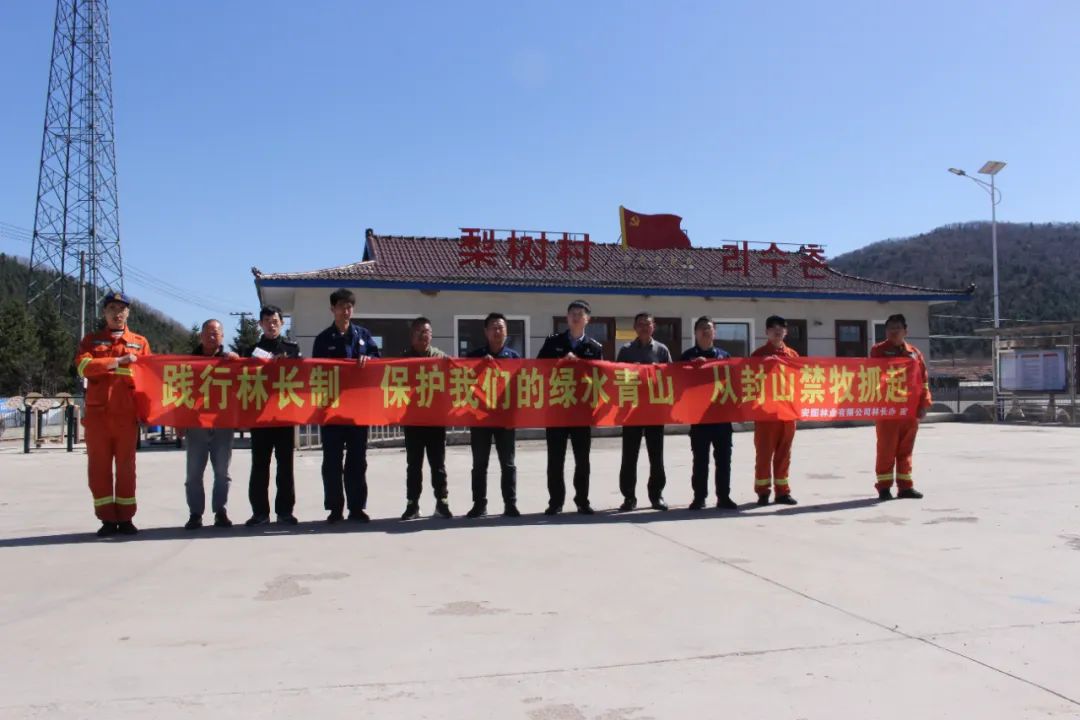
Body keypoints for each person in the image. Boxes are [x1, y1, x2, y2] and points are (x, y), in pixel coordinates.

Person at [75, 291, 151, 537]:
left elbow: (149, 379)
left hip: (126, 416)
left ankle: (126, 518)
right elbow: (83, 367)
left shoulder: (140, 342)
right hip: (98, 417)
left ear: (128, 313)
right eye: (112, 309)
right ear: (104, 313)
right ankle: (107, 519)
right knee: (99, 468)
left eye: (121, 309)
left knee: (127, 468)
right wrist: (117, 361)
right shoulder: (91, 341)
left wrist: (147, 413)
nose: (117, 314)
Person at [311, 288, 380, 523]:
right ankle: (335, 508)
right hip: (331, 410)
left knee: (357, 460)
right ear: (332, 309)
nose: (346, 311)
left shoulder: (363, 335)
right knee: (332, 461)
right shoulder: (323, 339)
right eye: (341, 306)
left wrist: (369, 359)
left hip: (358, 411)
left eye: (349, 306)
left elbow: (378, 361)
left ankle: (357, 507)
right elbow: (316, 371)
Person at [537, 299, 604, 515]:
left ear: (587, 319)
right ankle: (555, 501)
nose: (576, 317)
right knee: (555, 460)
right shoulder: (552, 342)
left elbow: (600, 378)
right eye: (572, 313)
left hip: (581, 413)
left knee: (582, 460)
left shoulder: (594, 347)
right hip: (556, 409)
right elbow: (538, 369)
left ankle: (582, 500)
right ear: (567, 318)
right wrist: (561, 362)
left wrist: (580, 365)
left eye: (580, 314)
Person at [244, 305, 302, 526]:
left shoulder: (292, 349)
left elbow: (302, 376)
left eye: (275, 321)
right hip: (259, 417)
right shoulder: (251, 351)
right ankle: (260, 513)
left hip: (284, 416)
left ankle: (285, 511)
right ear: (261, 324)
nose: (271, 325)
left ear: (282, 323)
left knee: (285, 466)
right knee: (259, 466)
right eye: (267, 321)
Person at [184, 319, 239, 530]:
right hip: (195, 424)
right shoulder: (187, 362)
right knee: (193, 474)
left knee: (222, 473)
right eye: (208, 332)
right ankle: (195, 514)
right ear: (201, 336)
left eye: (216, 333)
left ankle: (220, 511)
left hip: (222, 423)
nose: (212, 336)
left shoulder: (230, 361)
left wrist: (237, 362)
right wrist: (178, 422)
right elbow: (178, 393)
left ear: (222, 336)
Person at [464, 312, 521, 518]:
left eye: (501, 328)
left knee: (508, 464)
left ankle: (510, 504)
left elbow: (520, 388)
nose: (497, 331)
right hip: (480, 418)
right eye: (493, 328)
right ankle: (479, 504)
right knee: (479, 464)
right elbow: (463, 382)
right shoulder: (474, 357)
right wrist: (479, 367)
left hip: (505, 419)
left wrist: (515, 417)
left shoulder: (514, 358)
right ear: (486, 332)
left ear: (506, 331)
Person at [871, 313, 932, 500]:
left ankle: (905, 487)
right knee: (886, 449)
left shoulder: (915, 353)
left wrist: (924, 403)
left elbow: (923, 380)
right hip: (888, 409)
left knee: (906, 449)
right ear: (886, 331)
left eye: (898, 328)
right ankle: (884, 487)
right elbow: (871, 374)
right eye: (890, 328)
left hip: (910, 410)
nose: (894, 331)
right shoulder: (878, 351)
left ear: (905, 331)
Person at [616, 312, 672, 511]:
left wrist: (657, 372)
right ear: (634, 328)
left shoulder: (662, 350)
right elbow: (617, 376)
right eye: (640, 324)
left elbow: (671, 377)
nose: (644, 327)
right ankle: (629, 497)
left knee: (656, 456)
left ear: (653, 327)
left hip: (655, 411)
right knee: (629, 456)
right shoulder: (626, 350)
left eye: (647, 324)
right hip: (632, 411)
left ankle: (656, 495)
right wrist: (633, 371)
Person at [681, 317, 738, 510]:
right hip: (699, 419)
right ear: (695, 333)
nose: (706, 331)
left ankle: (724, 496)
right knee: (700, 460)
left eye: (709, 328)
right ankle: (699, 497)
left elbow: (733, 383)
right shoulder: (687, 356)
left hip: (722, 418)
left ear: (715, 332)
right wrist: (692, 368)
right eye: (702, 328)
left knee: (724, 460)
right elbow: (678, 384)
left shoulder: (724, 356)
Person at [400, 316, 452, 520]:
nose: (424, 336)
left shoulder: (440, 357)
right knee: (414, 465)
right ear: (412, 335)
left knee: (438, 465)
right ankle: (412, 504)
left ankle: (442, 502)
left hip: (435, 420)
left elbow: (458, 374)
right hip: (413, 420)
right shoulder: (404, 359)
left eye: (427, 332)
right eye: (419, 332)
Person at [751, 315, 799, 506]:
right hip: (766, 414)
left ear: (785, 332)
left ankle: (782, 492)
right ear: (767, 332)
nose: (777, 331)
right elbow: (749, 382)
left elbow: (800, 382)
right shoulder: (758, 355)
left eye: (781, 328)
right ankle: (763, 492)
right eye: (773, 328)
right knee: (764, 454)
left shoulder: (793, 355)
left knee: (784, 454)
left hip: (788, 413)